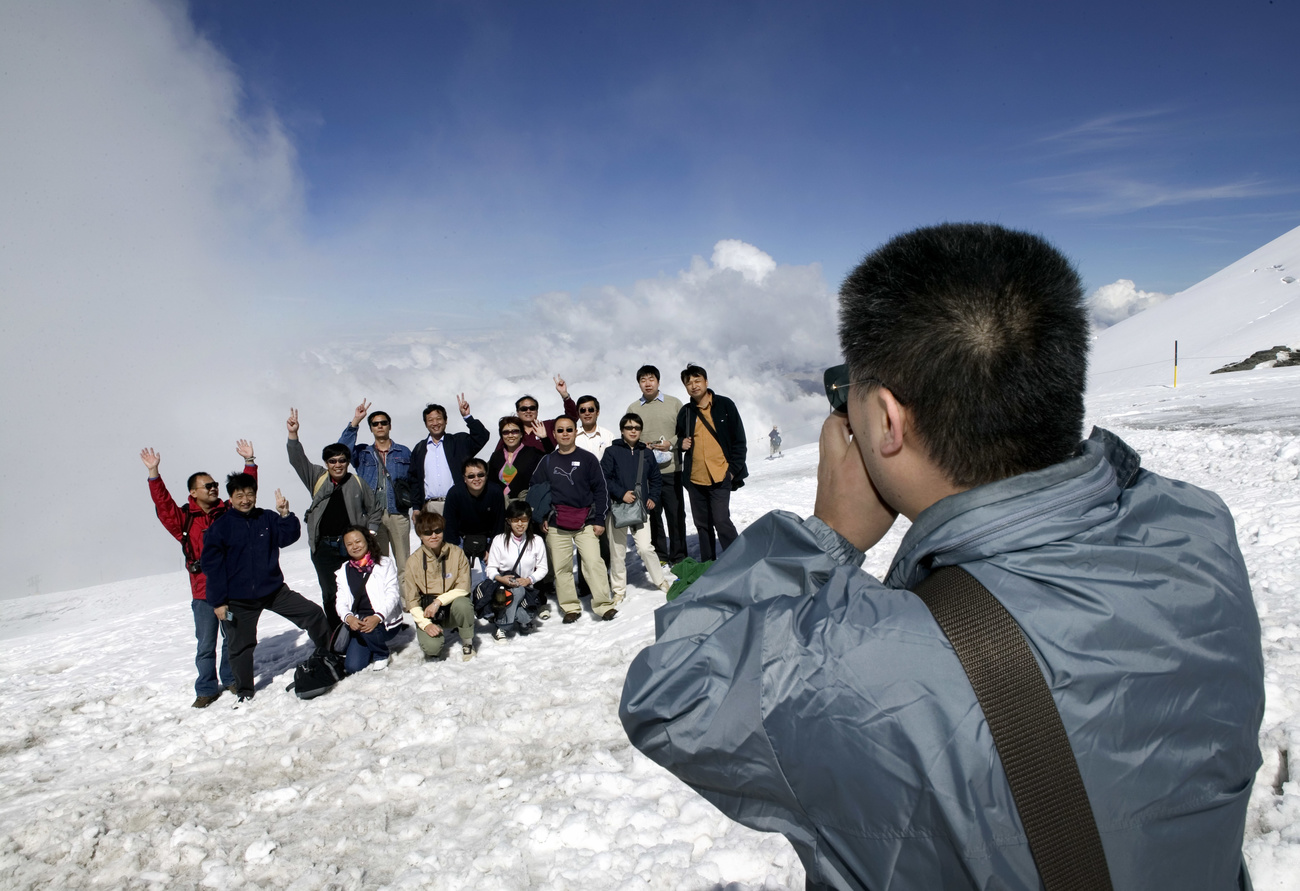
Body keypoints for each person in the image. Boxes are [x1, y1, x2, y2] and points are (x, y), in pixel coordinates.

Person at [621, 223, 1265, 890]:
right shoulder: (1196, 530)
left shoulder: (855, 663)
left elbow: (667, 692)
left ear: (888, 423)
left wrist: (826, 534)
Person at [142, 441, 256, 708]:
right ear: (193, 492)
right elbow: (164, 505)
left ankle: (230, 679)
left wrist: (249, 464)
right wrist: (154, 474)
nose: (214, 487)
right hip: (203, 592)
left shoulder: (226, 512)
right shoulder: (184, 519)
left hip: (231, 588)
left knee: (232, 637)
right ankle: (206, 688)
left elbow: (244, 494)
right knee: (206, 644)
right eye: (208, 485)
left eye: (215, 484)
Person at [200, 473, 331, 707]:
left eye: (250, 494)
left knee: (312, 614)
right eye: (239, 495)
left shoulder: (267, 518)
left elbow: (288, 537)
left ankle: (328, 654)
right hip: (239, 600)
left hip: (274, 591)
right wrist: (218, 602)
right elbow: (213, 568)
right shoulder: (220, 528)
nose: (245, 500)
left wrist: (285, 514)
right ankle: (244, 690)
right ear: (230, 498)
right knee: (240, 646)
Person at [287, 408, 383, 629]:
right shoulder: (317, 478)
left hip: (352, 547)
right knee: (330, 593)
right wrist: (293, 435)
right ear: (326, 463)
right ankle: (335, 635)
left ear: (347, 461)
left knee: (357, 588)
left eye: (341, 460)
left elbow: (375, 508)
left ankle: (361, 631)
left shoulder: (357, 483)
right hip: (324, 548)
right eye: (332, 461)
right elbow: (297, 460)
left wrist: (370, 532)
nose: (337, 464)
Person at [535, 415, 616, 623]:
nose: (564, 434)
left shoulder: (588, 459)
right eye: (560, 430)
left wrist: (599, 519)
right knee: (561, 568)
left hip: (586, 520)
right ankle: (570, 606)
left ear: (575, 432)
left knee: (593, 562)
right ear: (554, 434)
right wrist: (543, 515)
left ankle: (603, 605)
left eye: (569, 430)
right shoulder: (548, 461)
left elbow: (601, 490)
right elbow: (536, 490)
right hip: (556, 522)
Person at [675, 365, 747, 561]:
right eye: (688, 383)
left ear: (706, 382)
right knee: (702, 525)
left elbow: (739, 441)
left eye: (697, 381)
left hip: (721, 474)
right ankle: (708, 564)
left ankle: (738, 561)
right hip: (695, 477)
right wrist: (681, 443)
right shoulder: (686, 412)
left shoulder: (725, 405)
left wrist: (732, 471)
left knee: (721, 521)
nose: (693, 386)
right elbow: (679, 440)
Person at [338, 399, 413, 582]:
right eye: (375, 424)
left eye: (383, 423)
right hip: (372, 515)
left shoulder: (403, 452)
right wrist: (355, 422)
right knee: (378, 562)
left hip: (397, 513)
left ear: (390, 426)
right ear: (371, 428)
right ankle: (381, 605)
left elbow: (414, 481)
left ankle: (408, 603)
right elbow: (341, 451)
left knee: (404, 563)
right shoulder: (363, 452)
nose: (380, 426)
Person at [601, 412, 669, 602]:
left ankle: (660, 580)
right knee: (618, 551)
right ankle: (619, 591)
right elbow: (604, 478)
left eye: (637, 428)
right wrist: (621, 493)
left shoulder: (646, 453)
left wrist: (653, 497)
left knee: (646, 547)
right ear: (622, 430)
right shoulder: (611, 452)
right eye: (629, 427)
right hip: (617, 508)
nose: (633, 431)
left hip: (640, 508)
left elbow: (655, 478)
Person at [627, 365, 686, 565]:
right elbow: (628, 436)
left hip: (672, 469)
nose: (648, 383)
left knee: (675, 513)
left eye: (651, 379)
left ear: (658, 381)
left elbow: (685, 432)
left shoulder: (674, 403)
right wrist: (643, 446)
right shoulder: (634, 408)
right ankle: (660, 554)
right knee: (653, 514)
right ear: (639, 384)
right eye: (643, 380)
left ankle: (679, 555)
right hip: (647, 473)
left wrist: (671, 443)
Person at [402, 511, 476, 661]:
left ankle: (467, 643)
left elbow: (463, 587)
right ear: (420, 536)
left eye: (438, 531)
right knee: (432, 649)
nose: (433, 536)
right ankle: (433, 635)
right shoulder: (413, 561)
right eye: (427, 533)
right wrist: (425, 624)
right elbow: (412, 599)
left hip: (451, 608)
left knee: (464, 603)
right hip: (427, 613)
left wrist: (438, 602)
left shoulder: (457, 553)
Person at [333, 526, 404, 675]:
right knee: (353, 666)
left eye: (358, 541)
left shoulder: (384, 563)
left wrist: (377, 617)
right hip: (359, 623)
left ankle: (381, 653)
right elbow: (340, 601)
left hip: (384, 621)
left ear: (367, 540)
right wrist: (349, 617)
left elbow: (393, 594)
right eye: (349, 544)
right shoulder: (344, 570)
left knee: (368, 626)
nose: (355, 546)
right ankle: (371, 645)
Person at [407, 396, 489, 517]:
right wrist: (416, 507)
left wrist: (467, 417)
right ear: (425, 424)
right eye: (430, 420)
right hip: (430, 507)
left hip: (457, 503)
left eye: (439, 419)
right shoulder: (419, 449)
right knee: (433, 537)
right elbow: (414, 479)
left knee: (457, 536)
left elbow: (482, 437)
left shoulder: (458, 441)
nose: (435, 423)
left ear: (446, 421)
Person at [484, 501, 550, 634]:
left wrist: (529, 580)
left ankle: (509, 617)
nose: (520, 524)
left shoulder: (536, 541)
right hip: (504, 590)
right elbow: (490, 568)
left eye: (524, 519)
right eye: (516, 520)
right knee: (517, 592)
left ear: (529, 520)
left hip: (527, 590)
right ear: (509, 521)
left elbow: (543, 568)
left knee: (525, 615)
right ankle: (503, 627)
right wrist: (500, 578)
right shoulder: (499, 540)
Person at [443, 457, 506, 569]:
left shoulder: (495, 491)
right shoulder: (455, 493)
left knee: (491, 578)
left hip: (487, 537)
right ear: (464, 478)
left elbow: (499, 524)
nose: (476, 479)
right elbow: (449, 526)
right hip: (461, 537)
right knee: (459, 575)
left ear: (486, 475)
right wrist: (455, 551)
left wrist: (492, 548)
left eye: (480, 475)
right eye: (471, 476)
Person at [487, 415, 545, 502]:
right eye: (505, 432)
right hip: (502, 504)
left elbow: (550, 458)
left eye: (515, 431)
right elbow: (491, 482)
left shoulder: (532, 453)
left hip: (524, 505)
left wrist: (544, 439)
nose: (510, 435)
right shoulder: (496, 456)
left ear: (521, 434)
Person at [514, 375, 578, 453]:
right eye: (524, 409)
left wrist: (565, 395)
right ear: (517, 412)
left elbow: (572, 418)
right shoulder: (511, 432)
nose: (528, 411)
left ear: (537, 411)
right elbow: (499, 457)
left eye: (532, 408)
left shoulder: (548, 426)